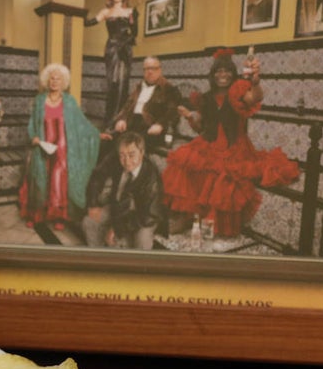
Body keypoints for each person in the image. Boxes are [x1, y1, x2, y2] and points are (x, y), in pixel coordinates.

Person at [161, 47, 300, 238]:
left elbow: (255, 97)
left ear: (233, 73)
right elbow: (203, 125)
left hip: (235, 146)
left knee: (220, 174)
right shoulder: (207, 97)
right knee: (184, 162)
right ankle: (186, 217)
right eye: (218, 71)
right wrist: (190, 115)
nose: (223, 75)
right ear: (213, 74)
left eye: (227, 71)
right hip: (209, 142)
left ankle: (205, 220)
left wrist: (255, 82)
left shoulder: (238, 91)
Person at [18, 62, 100, 231]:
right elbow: (33, 122)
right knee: (39, 178)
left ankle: (58, 216)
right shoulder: (39, 100)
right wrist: (33, 137)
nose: (54, 82)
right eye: (52, 78)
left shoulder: (69, 101)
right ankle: (36, 214)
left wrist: (97, 134)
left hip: (62, 147)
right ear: (47, 81)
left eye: (58, 79)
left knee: (58, 180)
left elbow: (81, 123)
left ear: (64, 82)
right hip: (42, 145)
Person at [83, 131, 163, 250]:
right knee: (90, 222)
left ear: (142, 153)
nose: (126, 161)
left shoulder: (151, 175)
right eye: (122, 155)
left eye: (131, 155)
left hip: (143, 216)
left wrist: (117, 228)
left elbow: (148, 215)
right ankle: (99, 257)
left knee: (142, 242)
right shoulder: (116, 159)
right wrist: (93, 203)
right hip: (119, 207)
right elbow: (97, 176)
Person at [102, 56, 184, 152]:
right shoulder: (139, 87)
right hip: (132, 124)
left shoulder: (169, 89)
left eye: (153, 68)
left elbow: (173, 112)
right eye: (146, 69)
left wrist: (161, 124)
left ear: (160, 70)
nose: (150, 72)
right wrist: (122, 119)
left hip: (150, 128)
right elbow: (127, 106)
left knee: (129, 146)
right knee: (107, 141)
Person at [93, 0, 138, 124]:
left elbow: (134, 32)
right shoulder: (105, 12)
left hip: (125, 48)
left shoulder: (131, 11)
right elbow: (90, 22)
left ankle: (120, 119)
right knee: (113, 82)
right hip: (111, 48)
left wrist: (124, 43)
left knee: (123, 83)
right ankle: (109, 120)